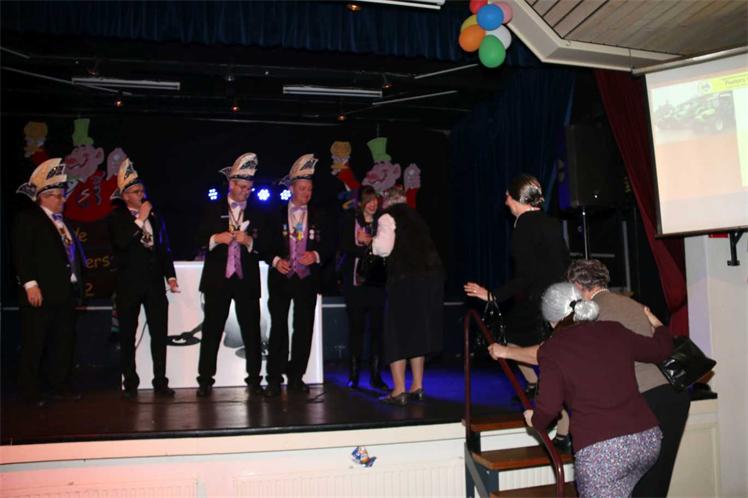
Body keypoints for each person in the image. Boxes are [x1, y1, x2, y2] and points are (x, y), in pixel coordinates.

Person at [489, 259, 690, 497]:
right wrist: (660, 327)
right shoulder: (628, 305)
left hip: (632, 413)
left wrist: (507, 352)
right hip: (664, 408)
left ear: (576, 287)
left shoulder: (595, 317)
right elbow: (659, 348)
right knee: (651, 491)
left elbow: (548, 356)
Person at [524, 282, 672, 498]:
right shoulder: (614, 329)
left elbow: (549, 408)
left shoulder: (551, 350)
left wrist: (535, 420)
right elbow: (660, 350)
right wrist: (658, 326)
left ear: (551, 320)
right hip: (646, 440)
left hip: (603, 452)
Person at [464, 174, 569, 439]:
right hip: (561, 299)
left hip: (542, 302)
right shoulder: (551, 222)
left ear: (516, 198)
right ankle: (561, 428)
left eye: (508, 197)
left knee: (512, 341)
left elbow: (525, 276)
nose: (506, 202)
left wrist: (492, 295)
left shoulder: (524, 225)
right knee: (555, 361)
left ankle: (540, 394)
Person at [14, 158, 85, 407]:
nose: (62, 199)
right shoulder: (29, 218)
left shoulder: (62, 222)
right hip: (41, 291)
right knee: (36, 342)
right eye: (57, 196)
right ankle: (30, 392)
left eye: (62, 195)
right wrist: (30, 284)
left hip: (64, 291)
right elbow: (22, 253)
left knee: (63, 341)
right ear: (43, 197)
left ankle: (60, 386)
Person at [263, 154, 334, 397]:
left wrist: (315, 255)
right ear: (292, 189)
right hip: (281, 278)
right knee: (278, 327)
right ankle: (274, 378)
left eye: (310, 189)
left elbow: (330, 244)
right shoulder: (274, 214)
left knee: (303, 328)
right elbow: (263, 244)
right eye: (302, 189)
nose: (307, 193)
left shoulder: (320, 214)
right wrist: (276, 261)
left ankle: (296, 377)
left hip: (307, 280)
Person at [108, 159, 179, 399]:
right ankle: (130, 381)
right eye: (136, 192)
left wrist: (170, 276)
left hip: (154, 283)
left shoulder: (155, 217)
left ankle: (160, 381)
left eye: (142, 191)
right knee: (128, 334)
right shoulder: (116, 217)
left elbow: (164, 248)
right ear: (125, 196)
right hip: (128, 284)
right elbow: (121, 243)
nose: (141, 195)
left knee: (159, 333)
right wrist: (139, 219)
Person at [195, 153, 265, 397]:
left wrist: (250, 241)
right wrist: (216, 238)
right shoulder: (212, 208)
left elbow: (269, 243)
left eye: (249, 188)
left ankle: (255, 379)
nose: (246, 192)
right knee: (212, 330)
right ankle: (205, 379)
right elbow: (196, 237)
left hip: (246, 280)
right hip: (218, 279)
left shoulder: (259, 211)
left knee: (252, 331)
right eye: (242, 187)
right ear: (231, 184)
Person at [368, 185, 444, 405]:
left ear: (386, 200)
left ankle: (399, 390)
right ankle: (417, 385)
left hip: (405, 281)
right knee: (417, 332)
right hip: (430, 280)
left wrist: (370, 242)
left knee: (396, 333)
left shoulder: (388, 217)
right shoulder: (417, 218)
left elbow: (383, 248)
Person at [338, 186, 388, 391]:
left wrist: (369, 241)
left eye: (375, 200)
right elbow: (345, 246)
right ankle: (354, 375)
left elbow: (387, 248)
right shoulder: (350, 220)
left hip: (377, 283)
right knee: (356, 330)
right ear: (360, 203)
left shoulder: (382, 221)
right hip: (355, 284)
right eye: (369, 200)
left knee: (377, 331)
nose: (373, 204)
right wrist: (367, 246)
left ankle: (376, 375)